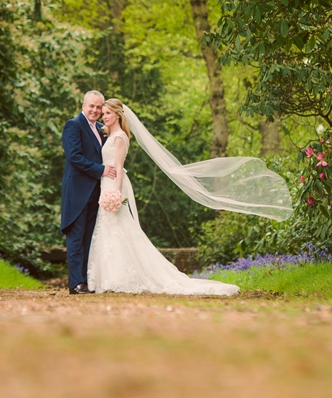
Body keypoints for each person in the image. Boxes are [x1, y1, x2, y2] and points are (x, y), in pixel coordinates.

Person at [86, 99, 242, 296]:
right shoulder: (109, 134)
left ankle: (119, 278)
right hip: (105, 184)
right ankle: (109, 277)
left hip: (113, 185)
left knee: (118, 227)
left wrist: (116, 192)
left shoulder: (119, 138)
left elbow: (118, 167)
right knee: (110, 228)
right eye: (103, 113)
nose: (104, 116)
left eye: (108, 113)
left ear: (118, 115)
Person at [60, 90, 116, 294]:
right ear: (83, 106)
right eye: (91, 106)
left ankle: (86, 281)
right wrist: (101, 170)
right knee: (76, 238)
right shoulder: (73, 125)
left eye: (98, 107)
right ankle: (76, 284)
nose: (95, 110)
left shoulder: (102, 128)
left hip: (97, 192)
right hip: (77, 191)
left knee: (89, 238)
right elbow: (74, 156)